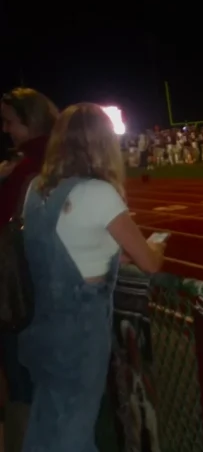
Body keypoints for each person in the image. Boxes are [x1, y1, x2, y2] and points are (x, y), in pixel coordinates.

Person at [19, 103, 166, 452]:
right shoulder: (99, 194)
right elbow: (149, 263)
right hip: (81, 333)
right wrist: (158, 245)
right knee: (75, 429)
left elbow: (74, 243)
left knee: (46, 422)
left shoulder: (36, 190)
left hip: (41, 326)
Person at [0, 87, 59, 452]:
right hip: (57, 296)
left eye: (9, 122)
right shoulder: (62, 162)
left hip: (22, 297)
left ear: (29, 121)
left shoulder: (26, 169)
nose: (5, 130)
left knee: (24, 389)